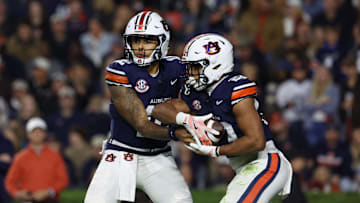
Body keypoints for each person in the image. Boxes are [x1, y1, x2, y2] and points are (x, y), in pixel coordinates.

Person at [152, 33, 293, 202]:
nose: (190, 74)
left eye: (195, 67)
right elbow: (159, 110)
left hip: (266, 163)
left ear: (216, 65)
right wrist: (187, 120)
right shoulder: (195, 93)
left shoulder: (234, 89)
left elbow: (256, 141)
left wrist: (216, 151)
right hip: (244, 168)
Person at [84, 11, 195, 203]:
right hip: (120, 156)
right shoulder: (119, 70)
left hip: (158, 157)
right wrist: (176, 133)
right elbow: (141, 124)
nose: (141, 47)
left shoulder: (177, 68)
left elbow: (199, 98)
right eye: (136, 41)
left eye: (148, 41)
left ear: (163, 42)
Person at [5, 117, 69, 203]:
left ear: (45, 134)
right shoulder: (20, 157)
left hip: (50, 200)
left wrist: (49, 192)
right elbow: (10, 182)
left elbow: (63, 180)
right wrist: (17, 193)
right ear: (28, 134)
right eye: (34, 131)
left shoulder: (55, 156)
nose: (37, 134)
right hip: (27, 200)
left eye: (40, 131)